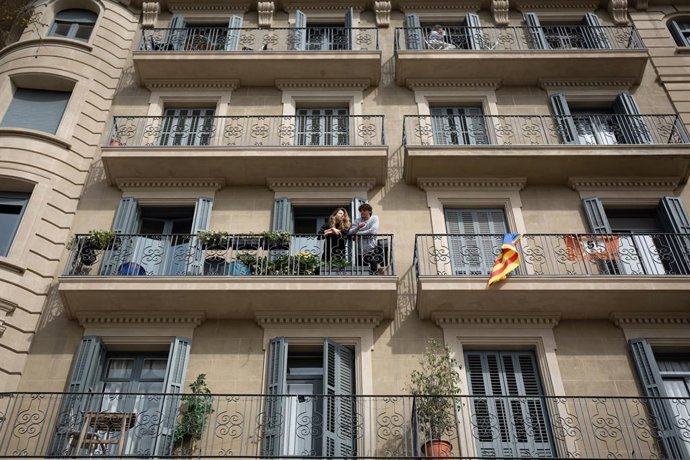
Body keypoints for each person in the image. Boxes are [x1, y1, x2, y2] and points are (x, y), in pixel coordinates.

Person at [348, 203, 382, 274]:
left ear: (369, 211)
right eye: (361, 211)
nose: (362, 212)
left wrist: (358, 233)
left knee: (374, 271)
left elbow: (373, 231)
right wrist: (358, 227)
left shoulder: (374, 218)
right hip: (360, 251)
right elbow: (350, 232)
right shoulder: (357, 221)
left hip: (372, 249)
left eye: (364, 210)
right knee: (362, 272)